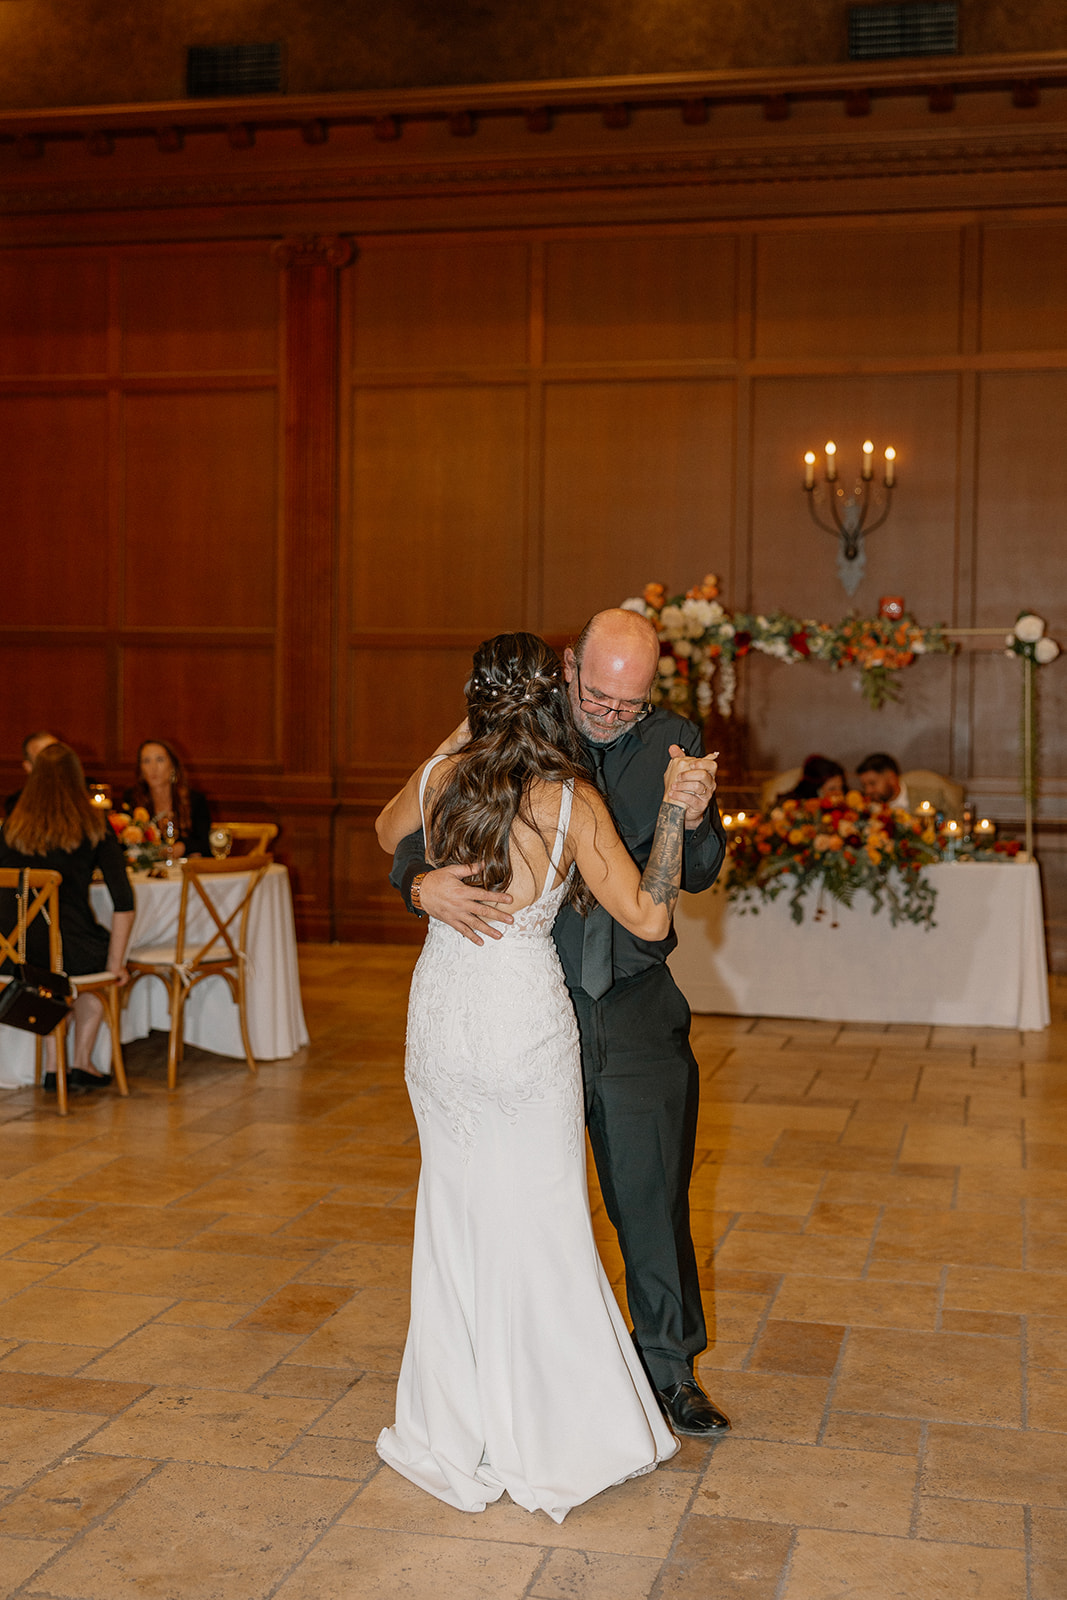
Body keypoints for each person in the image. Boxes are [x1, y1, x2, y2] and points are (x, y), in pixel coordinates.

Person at [375, 630, 704, 1520]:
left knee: (453, 1210)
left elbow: (383, 828)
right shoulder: (569, 801)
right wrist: (673, 816)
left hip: (443, 1016)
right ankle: (557, 1427)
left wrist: (462, 732)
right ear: (554, 689)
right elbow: (645, 914)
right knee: (545, 1217)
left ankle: (452, 1419)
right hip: (520, 1025)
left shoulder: (446, 779)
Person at [0, 742, 134, 1090]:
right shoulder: (94, 826)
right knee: (92, 975)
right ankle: (80, 1062)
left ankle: (52, 1066)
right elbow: (123, 900)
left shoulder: (11, 827)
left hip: (16, 951)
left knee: (50, 975)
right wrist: (116, 964)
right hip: (70, 945)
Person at [122, 739, 211, 858]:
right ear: (141, 770)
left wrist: (184, 847)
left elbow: (206, 845)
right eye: (146, 761)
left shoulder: (195, 800)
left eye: (160, 760)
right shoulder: (131, 799)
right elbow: (122, 844)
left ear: (173, 766)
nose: (153, 768)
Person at [3, 729, 59, 817]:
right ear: (28, 767)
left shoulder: (84, 796)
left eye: (56, 752)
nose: (53, 761)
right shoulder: (18, 804)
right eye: (43, 758)